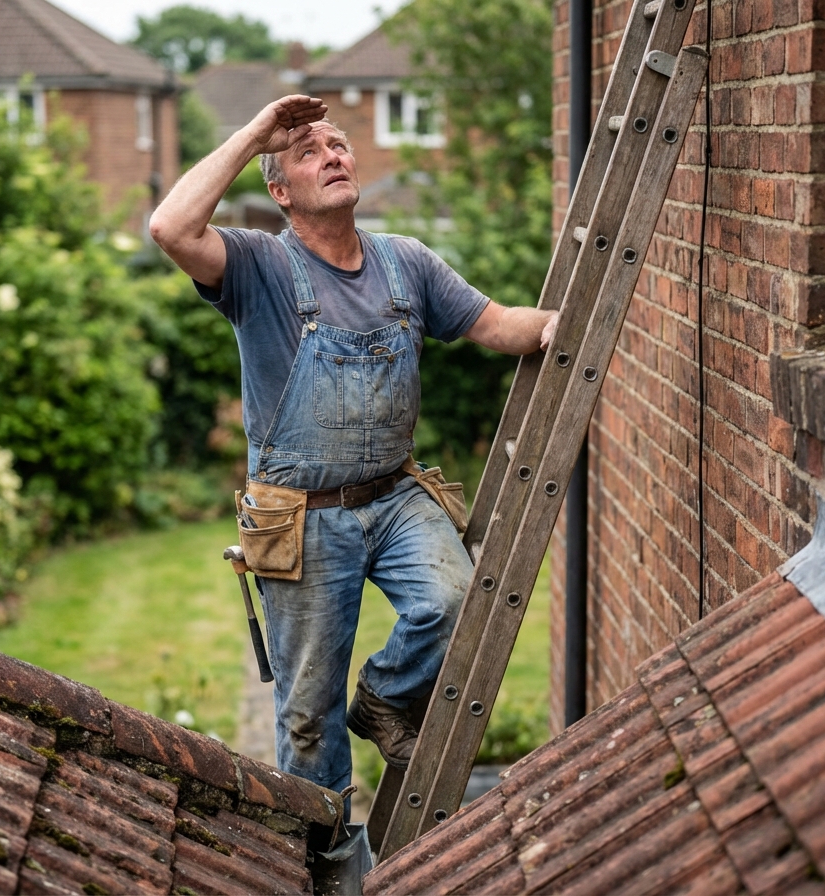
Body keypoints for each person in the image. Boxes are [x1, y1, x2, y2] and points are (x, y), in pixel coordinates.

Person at [149, 95, 557, 799]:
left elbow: (496, 323)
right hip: (301, 518)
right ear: (279, 192)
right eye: (308, 152)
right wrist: (253, 133)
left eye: (338, 145)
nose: (332, 155)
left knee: (462, 601)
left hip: (396, 498)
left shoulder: (407, 264)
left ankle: (383, 699)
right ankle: (324, 857)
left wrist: (554, 325)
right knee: (308, 719)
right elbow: (170, 226)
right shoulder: (257, 269)